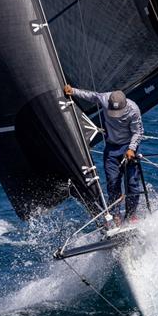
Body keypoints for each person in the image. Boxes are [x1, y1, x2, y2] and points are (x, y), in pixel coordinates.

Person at [64, 84, 144, 222]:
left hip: (129, 148)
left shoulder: (133, 110)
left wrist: (131, 148)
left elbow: (138, 132)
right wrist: (73, 91)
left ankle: (131, 215)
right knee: (113, 183)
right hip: (112, 148)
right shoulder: (105, 98)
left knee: (132, 184)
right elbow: (91, 96)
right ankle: (116, 215)